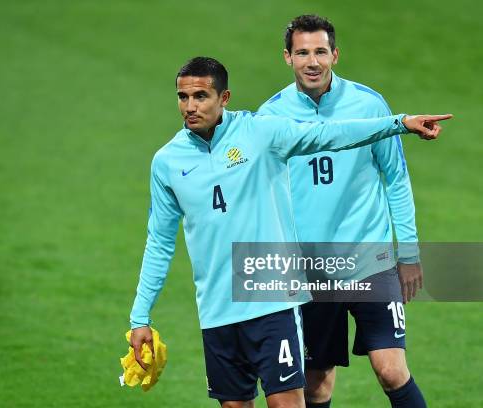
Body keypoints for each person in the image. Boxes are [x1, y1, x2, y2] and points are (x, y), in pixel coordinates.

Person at [129, 56, 449, 408]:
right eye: (182, 97)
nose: (190, 107)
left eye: (201, 96)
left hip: (273, 303)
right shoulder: (167, 162)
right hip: (217, 312)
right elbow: (158, 242)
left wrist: (399, 123)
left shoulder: (261, 132)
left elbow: (330, 134)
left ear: (224, 98)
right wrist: (140, 318)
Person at [257, 15, 428, 408]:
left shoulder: (369, 105)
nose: (312, 61)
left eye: (320, 51)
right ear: (287, 57)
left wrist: (410, 253)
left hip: (372, 258)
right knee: (317, 383)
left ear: (335, 54)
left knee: (391, 369)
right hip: (310, 269)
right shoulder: (271, 116)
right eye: (302, 52)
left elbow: (396, 179)